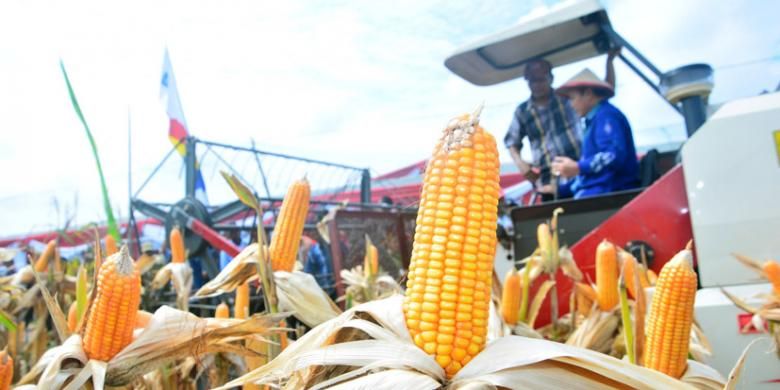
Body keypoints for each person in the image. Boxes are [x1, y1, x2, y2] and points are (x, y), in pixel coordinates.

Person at [504, 51, 619, 201]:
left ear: (550, 78)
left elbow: (602, 93)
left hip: (577, 172)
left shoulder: (567, 98)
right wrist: (521, 164)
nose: (537, 85)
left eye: (541, 80)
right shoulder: (522, 111)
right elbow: (511, 142)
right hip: (547, 181)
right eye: (532, 81)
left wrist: (609, 61)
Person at [551, 68, 639, 199]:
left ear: (588, 94)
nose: (571, 104)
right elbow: (592, 172)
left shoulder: (606, 116)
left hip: (609, 195)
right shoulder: (595, 119)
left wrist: (577, 167)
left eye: (572, 98)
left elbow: (612, 156)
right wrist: (558, 190)